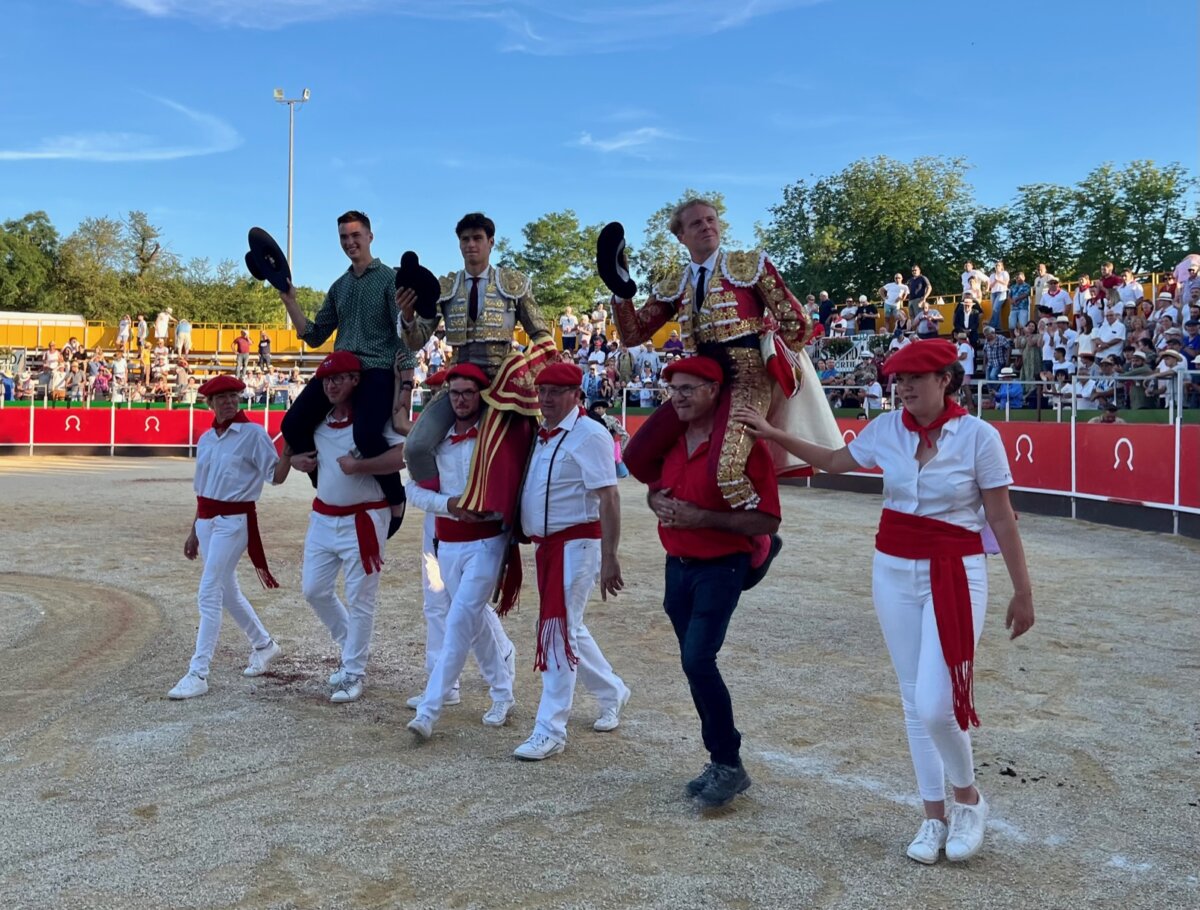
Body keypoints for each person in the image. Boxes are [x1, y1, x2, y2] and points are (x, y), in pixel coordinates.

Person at [734, 338, 1034, 863]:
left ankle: (969, 800)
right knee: (913, 699)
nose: (905, 388)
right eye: (899, 380)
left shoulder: (978, 437)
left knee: (937, 705)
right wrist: (775, 433)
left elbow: (1002, 516)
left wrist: (1023, 590)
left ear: (946, 379)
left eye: (916, 378)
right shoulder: (887, 429)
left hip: (957, 571)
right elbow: (832, 462)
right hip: (893, 569)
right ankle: (932, 815)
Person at [610, 196, 838, 512]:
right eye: (696, 223)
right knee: (638, 454)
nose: (706, 226)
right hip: (696, 382)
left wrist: (772, 356)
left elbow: (798, 322)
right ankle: (681, 495)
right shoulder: (675, 283)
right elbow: (633, 334)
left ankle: (758, 537)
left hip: (745, 379)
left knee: (727, 471)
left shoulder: (748, 265)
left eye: (710, 219)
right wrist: (621, 290)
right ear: (681, 237)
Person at [633, 356, 782, 808]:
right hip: (676, 564)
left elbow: (768, 518)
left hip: (721, 564)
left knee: (698, 659)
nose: (676, 398)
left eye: (687, 389)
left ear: (714, 391)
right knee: (693, 662)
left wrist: (703, 517)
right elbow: (655, 488)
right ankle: (724, 761)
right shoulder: (673, 440)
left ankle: (728, 761)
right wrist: (654, 499)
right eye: (672, 390)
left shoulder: (744, 446)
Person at [399, 212, 554, 524]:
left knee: (528, 451)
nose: (471, 244)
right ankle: (446, 510)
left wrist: (524, 374)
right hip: (459, 377)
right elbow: (417, 340)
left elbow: (541, 335)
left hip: (504, 381)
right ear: (459, 244)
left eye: (477, 238)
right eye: (465, 239)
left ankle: (515, 518)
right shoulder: (444, 287)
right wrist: (407, 316)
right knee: (416, 447)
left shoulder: (514, 284)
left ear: (490, 243)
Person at [511, 362, 628, 761]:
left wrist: (610, 557)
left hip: (576, 546)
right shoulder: (542, 435)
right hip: (549, 548)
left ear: (577, 395)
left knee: (558, 633)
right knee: (569, 629)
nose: (545, 399)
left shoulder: (590, 434)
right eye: (542, 391)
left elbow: (609, 497)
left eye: (555, 392)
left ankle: (550, 729)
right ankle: (611, 690)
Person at [280, 211, 416, 536]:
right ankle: (324, 484)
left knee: (366, 435)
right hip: (339, 370)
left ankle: (395, 497)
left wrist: (406, 386)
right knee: (292, 424)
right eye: (344, 237)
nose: (349, 242)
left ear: (370, 237)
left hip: (375, 369)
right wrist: (290, 301)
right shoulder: (339, 286)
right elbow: (314, 335)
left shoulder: (388, 278)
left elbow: (403, 333)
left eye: (355, 235)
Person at [405, 363, 518, 739]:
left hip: (488, 540)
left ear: (481, 395)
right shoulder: (433, 440)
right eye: (454, 393)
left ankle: (429, 710)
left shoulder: (496, 437)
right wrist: (449, 504)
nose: (461, 400)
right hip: (447, 542)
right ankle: (502, 692)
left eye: (468, 392)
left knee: (458, 620)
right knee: (473, 622)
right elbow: (413, 491)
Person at [287, 351, 406, 703]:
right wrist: (295, 460)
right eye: (326, 380)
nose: (332, 385)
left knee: (361, 599)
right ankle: (350, 645)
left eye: (339, 378)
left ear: (356, 381)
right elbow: (289, 458)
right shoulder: (318, 422)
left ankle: (353, 672)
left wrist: (361, 466)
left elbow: (404, 455)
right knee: (314, 589)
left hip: (364, 519)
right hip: (323, 518)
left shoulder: (374, 421)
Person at [169, 374, 282, 700]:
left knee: (209, 593)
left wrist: (291, 456)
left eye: (233, 396)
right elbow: (202, 490)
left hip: (235, 521)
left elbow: (274, 475)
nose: (229, 402)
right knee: (227, 591)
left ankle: (198, 672)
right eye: (222, 399)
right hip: (207, 522)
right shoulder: (206, 439)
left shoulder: (254, 434)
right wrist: (194, 530)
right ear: (211, 404)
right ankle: (263, 644)